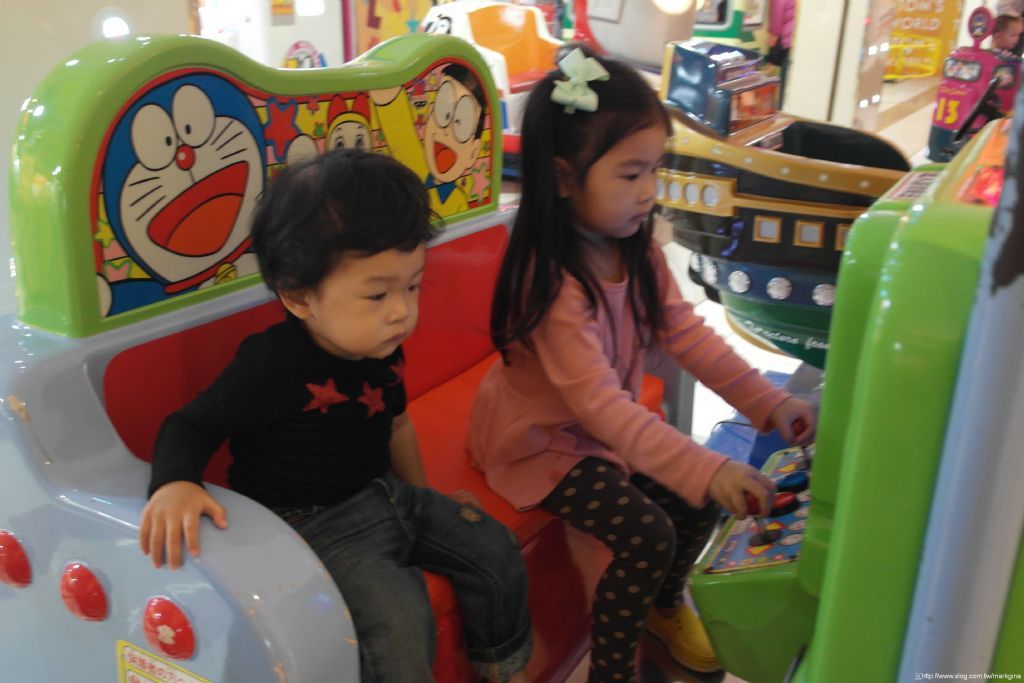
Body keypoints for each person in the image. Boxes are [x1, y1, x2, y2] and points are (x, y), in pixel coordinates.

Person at [468, 47, 817, 681]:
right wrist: (707, 468)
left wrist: (770, 403)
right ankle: (612, 670)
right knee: (647, 533)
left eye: (654, 169)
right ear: (564, 177)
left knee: (696, 501)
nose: (649, 191)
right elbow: (601, 405)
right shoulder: (554, 284)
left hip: (599, 432)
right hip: (543, 446)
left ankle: (662, 608)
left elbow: (689, 338)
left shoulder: (634, 249)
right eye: (630, 174)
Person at [139, 149, 532, 683]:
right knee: (400, 625)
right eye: (377, 294)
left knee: (495, 548)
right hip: (313, 525)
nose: (402, 311)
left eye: (412, 286)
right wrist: (175, 483)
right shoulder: (269, 364)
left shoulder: (379, 345)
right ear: (299, 297)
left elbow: (397, 425)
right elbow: (189, 425)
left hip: (387, 495)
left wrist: (425, 499)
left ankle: (503, 667)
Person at [768, 0, 797, 108]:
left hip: (785, 40)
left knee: (784, 81)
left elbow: (777, 15)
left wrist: (774, 35)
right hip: (793, 38)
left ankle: (781, 107)